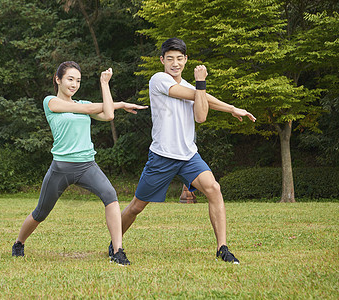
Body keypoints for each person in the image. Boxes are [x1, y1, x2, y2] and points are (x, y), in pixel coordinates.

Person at [110, 38, 256, 264]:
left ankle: (222, 248)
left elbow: (201, 115)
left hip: (188, 156)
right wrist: (201, 83)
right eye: (170, 59)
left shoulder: (193, 86)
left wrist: (231, 109)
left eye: (179, 59)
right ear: (162, 60)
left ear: (186, 60)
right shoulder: (158, 79)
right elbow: (196, 95)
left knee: (214, 188)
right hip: (162, 156)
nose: (175, 63)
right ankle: (115, 245)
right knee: (136, 207)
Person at [12, 61, 147, 265]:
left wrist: (104, 84)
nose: (74, 84)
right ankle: (19, 243)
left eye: (78, 80)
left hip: (87, 165)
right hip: (61, 168)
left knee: (110, 196)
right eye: (70, 79)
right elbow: (90, 108)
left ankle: (117, 251)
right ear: (58, 80)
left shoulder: (83, 104)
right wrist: (118, 104)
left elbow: (108, 114)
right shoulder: (50, 102)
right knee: (41, 212)